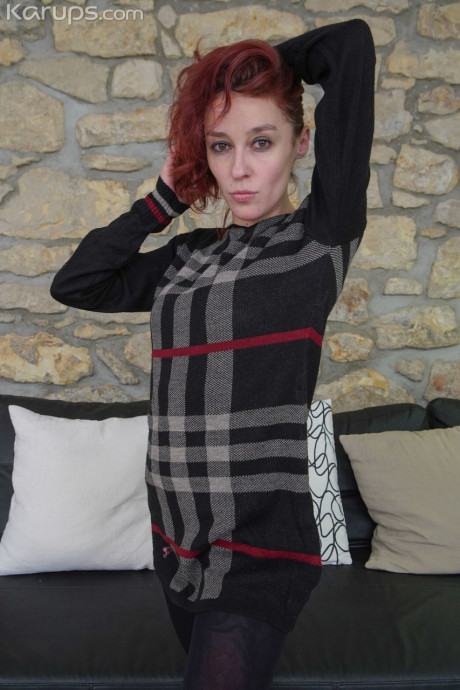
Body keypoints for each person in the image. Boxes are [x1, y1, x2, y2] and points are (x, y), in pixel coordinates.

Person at [50, 18, 375, 689]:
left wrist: (236, 73)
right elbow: (78, 284)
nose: (240, 168)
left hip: (260, 548)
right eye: (221, 145)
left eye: (262, 141)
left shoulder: (318, 241)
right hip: (176, 539)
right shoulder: (188, 256)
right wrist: (162, 200)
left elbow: (350, 46)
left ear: (301, 143)